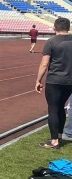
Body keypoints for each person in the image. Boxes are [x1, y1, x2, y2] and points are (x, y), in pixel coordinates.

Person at [35, 17, 72, 149]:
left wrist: (38, 80)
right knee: (61, 106)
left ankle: (54, 141)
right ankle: (60, 136)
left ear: (54, 28)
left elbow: (44, 64)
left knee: (53, 108)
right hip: (69, 81)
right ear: (68, 27)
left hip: (55, 80)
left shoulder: (51, 42)